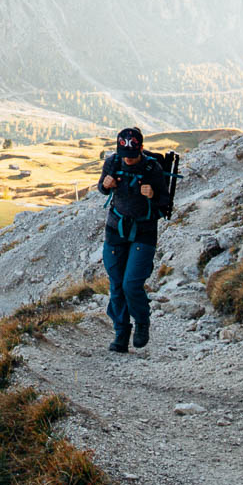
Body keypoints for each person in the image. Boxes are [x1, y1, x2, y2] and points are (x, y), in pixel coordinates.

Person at [97, 126, 168, 353]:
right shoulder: (113, 162)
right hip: (115, 230)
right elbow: (102, 188)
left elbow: (165, 201)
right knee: (116, 284)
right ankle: (121, 334)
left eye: (131, 156)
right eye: (124, 155)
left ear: (141, 149)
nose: (127, 160)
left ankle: (142, 322)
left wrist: (153, 194)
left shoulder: (152, 168)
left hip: (144, 232)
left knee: (131, 284)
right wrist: (105, 186)